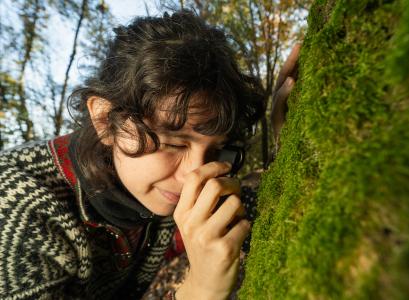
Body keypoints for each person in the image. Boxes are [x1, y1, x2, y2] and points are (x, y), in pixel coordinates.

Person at [0, 10, 299, 300]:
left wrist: (290, 142)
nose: (192, 177)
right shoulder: (18, 210)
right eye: (172, 144)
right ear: (105, 120)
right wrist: (200, 291)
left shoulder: (151, 188)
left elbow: (246, 217)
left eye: (214, 150)